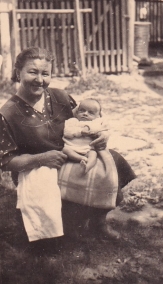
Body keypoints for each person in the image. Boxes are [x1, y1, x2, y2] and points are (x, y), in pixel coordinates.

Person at [0, 47, 136, 250]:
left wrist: (102, 136)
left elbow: (87, 121)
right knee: (55, 240)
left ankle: (99, 221)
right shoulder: (7, 113)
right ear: (18, 72)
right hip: (37, 167)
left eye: (45, 73)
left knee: (112, 160)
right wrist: (41, 158)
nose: (40, 79)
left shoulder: (59, 96)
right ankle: (70, 222)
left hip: (69, 154)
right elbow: (5, 161)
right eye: (32, 72)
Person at [63, 98, 108, 174]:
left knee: (93, 154)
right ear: (76, 113)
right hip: (71, 147)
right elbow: (67, 132)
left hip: (87, 149)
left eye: (90, 113)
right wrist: (80, 131)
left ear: (97, 116)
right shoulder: (72, 121)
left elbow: (101, 128)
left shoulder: (96, 123)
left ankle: (87, 167)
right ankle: (81, 159)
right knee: (65, 150)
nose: (85, 114)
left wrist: (89, 128)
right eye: (82, 110)